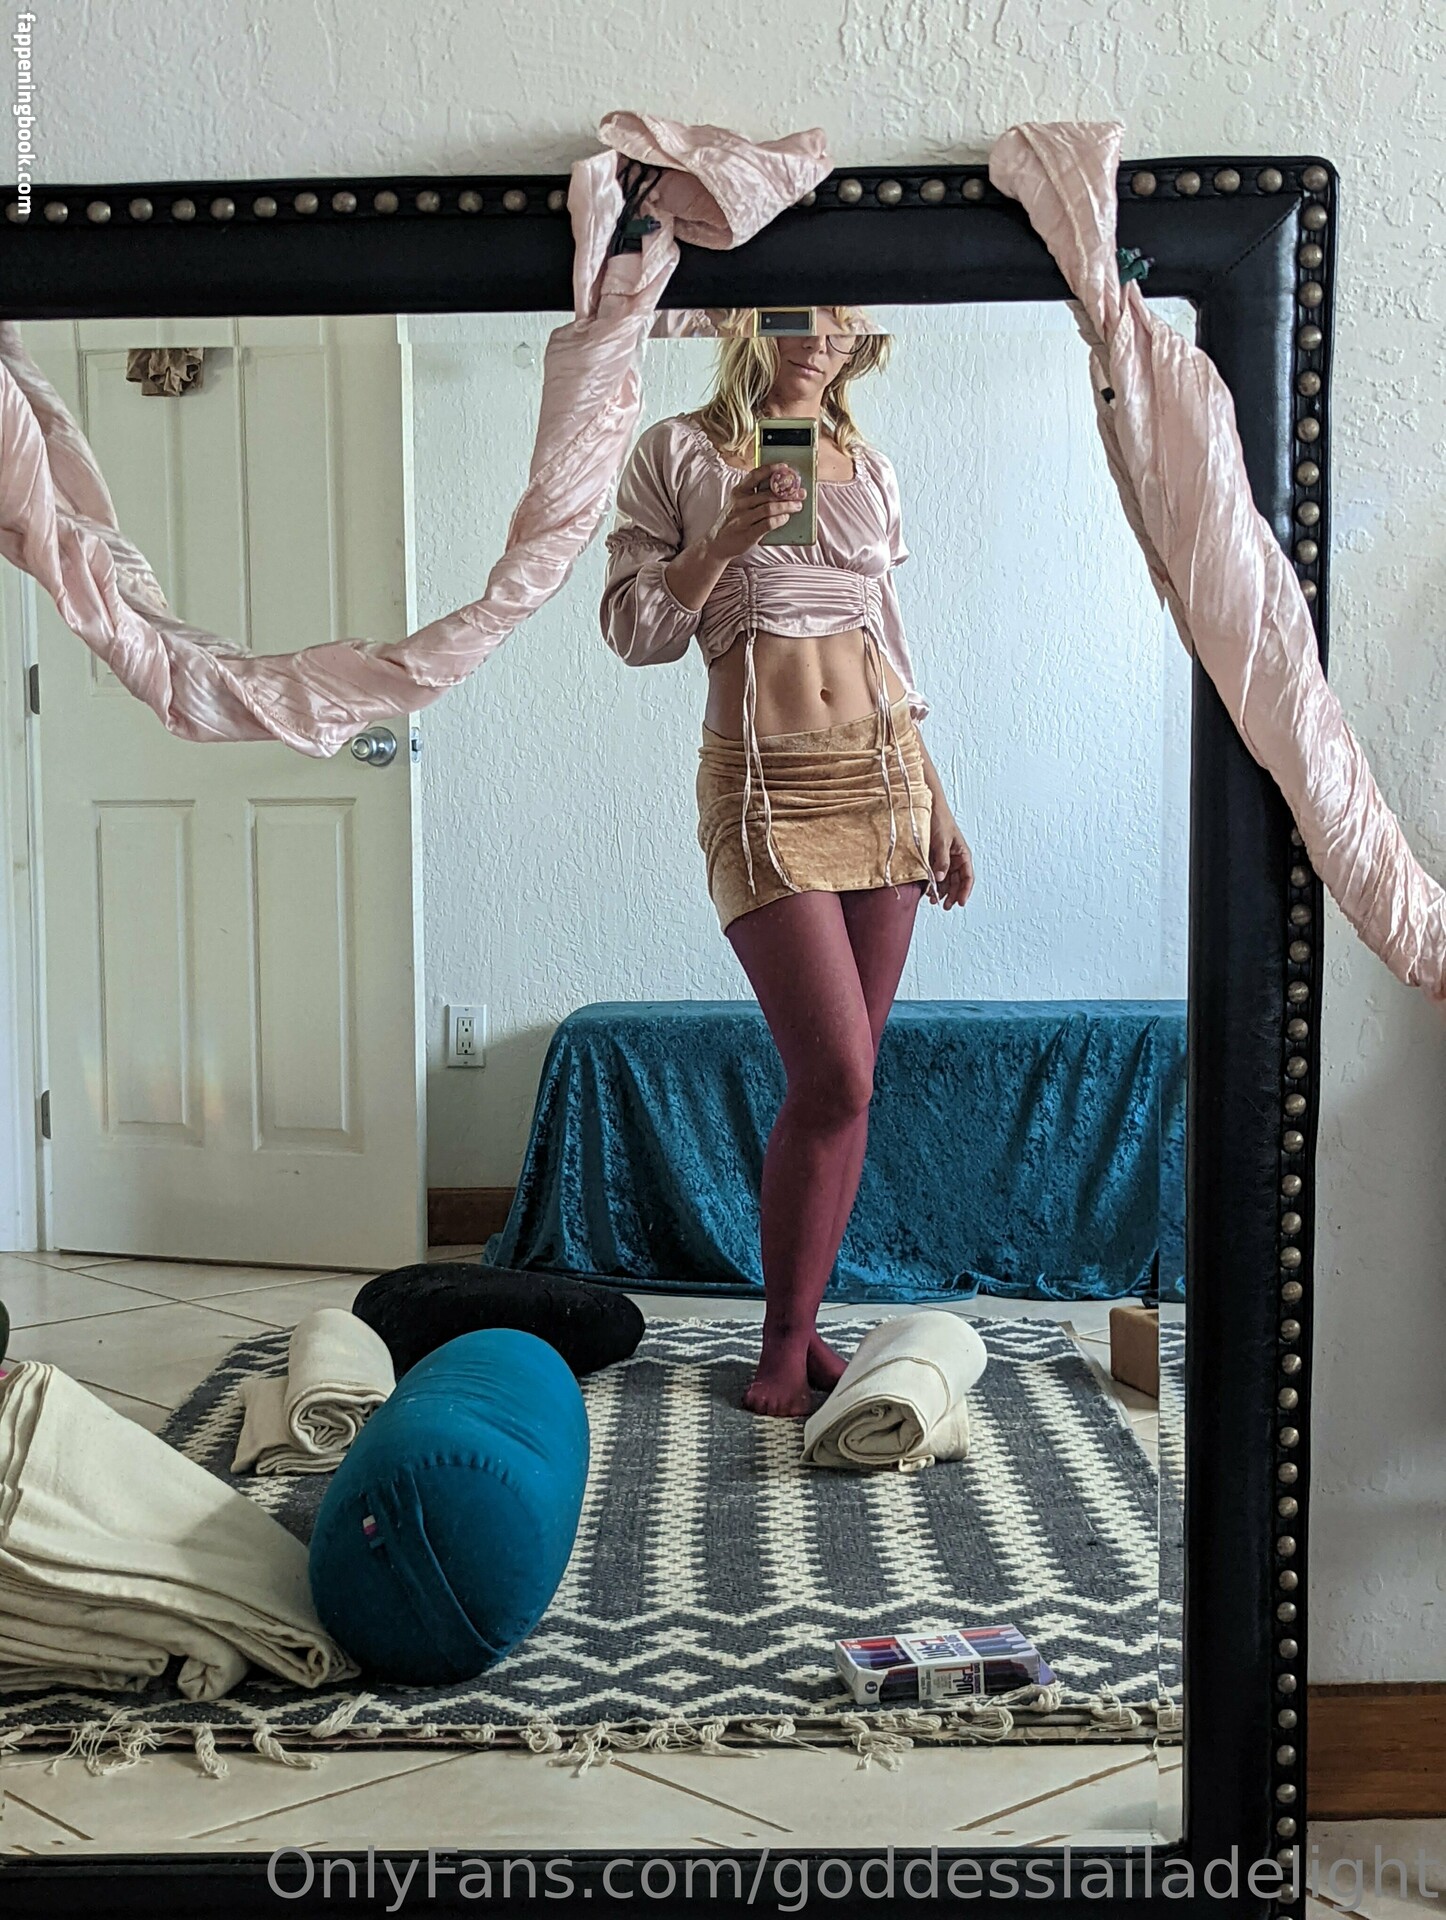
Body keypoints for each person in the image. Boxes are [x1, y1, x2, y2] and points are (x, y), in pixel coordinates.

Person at [599, 308, 974, 1417]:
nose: (822, 333)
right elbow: (633, 632)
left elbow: (886, 643)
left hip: (885, 779)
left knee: (853, 1085)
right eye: (800, 310)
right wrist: (722, 539)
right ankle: (779, 1342)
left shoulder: (869, 467)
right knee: (835, 1074)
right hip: (763, 788)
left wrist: (941, 802)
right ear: (755, 320)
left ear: (865, 338)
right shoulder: (679, 451)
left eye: (844, 316)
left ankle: (803, 1333)